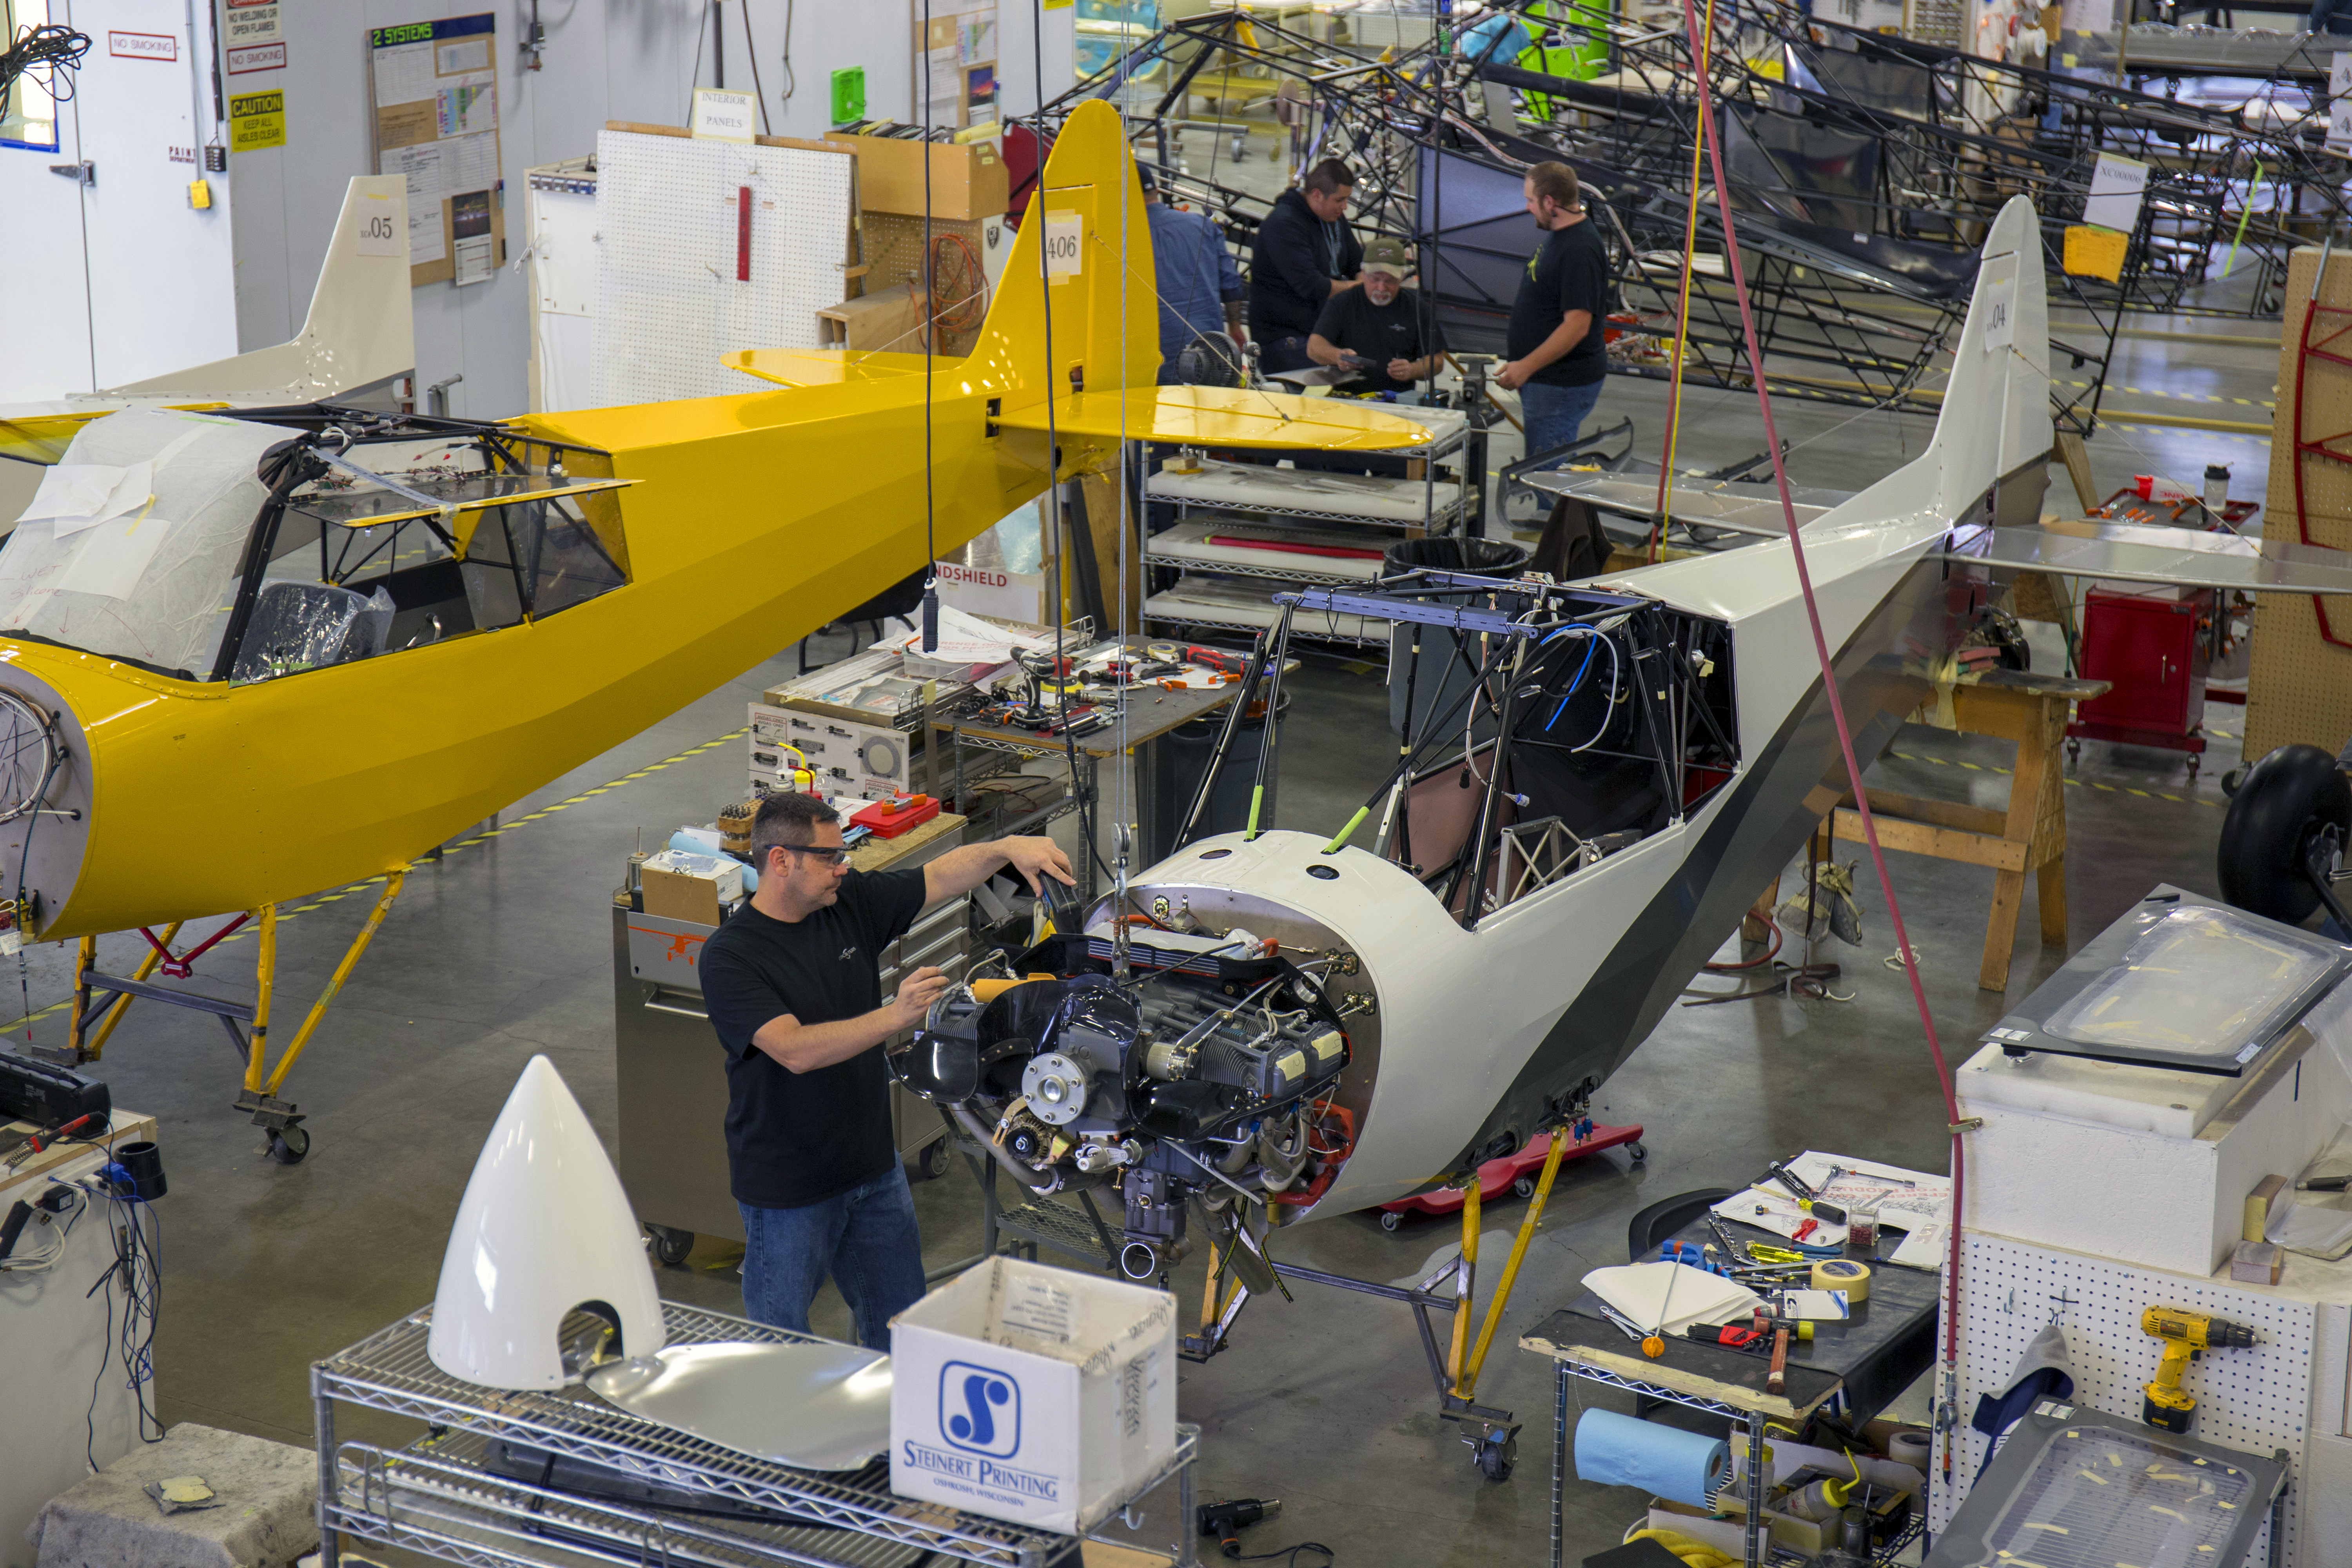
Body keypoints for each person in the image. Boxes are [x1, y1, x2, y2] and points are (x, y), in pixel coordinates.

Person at [698, 791, 1075, 1348]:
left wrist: (1005, 848)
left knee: (902, 1334)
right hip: (789, 1188)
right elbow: (794, 1049)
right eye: (829, 857)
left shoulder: (845, 902)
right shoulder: (732, 956)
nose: (842, 867)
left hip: (873, 1169)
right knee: (779, 1348)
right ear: (780, 861)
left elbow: (938, 877)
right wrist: (895, 1016)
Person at [1497, 161, 1611, 465]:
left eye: (1531, 200)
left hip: (1560, 385)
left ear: (1550, 202)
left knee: (1546, 474)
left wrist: (1526, 367)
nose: (1528, 207)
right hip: (1547, 382)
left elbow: (1577, 326)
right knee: (1542, 466)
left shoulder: (1579, 250)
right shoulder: (1562, 235)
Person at [1249, 158, 1364, 375]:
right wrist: (1359, 288)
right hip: (1286, 339)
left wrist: (1368, 279)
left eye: (1347, 199)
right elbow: (1313, 287)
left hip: (1319, 331)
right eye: (1340, 200)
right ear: (1317, 195)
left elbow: (1358, 263)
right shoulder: (1284, 224)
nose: (1345, 207)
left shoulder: (1334, 218)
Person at [1140, 163, 1247, 387]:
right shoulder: (1203, 225)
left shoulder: (1119, 238)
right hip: (1209, 355)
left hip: (1153, 363)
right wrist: (1235, 328)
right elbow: (1231, 283)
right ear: (1157, 190)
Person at [1305, 238, 1446, 397]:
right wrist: (1338, 357)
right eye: (1376, 279)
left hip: (1396, 399)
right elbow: (1314, 348)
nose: (1381, 288)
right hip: (1347, 397)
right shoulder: (1343, 302)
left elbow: (1437, 361)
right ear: (1363, 275)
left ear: (1402, 277)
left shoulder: (1416, 308)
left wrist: (1412, 370)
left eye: (1390, 281)